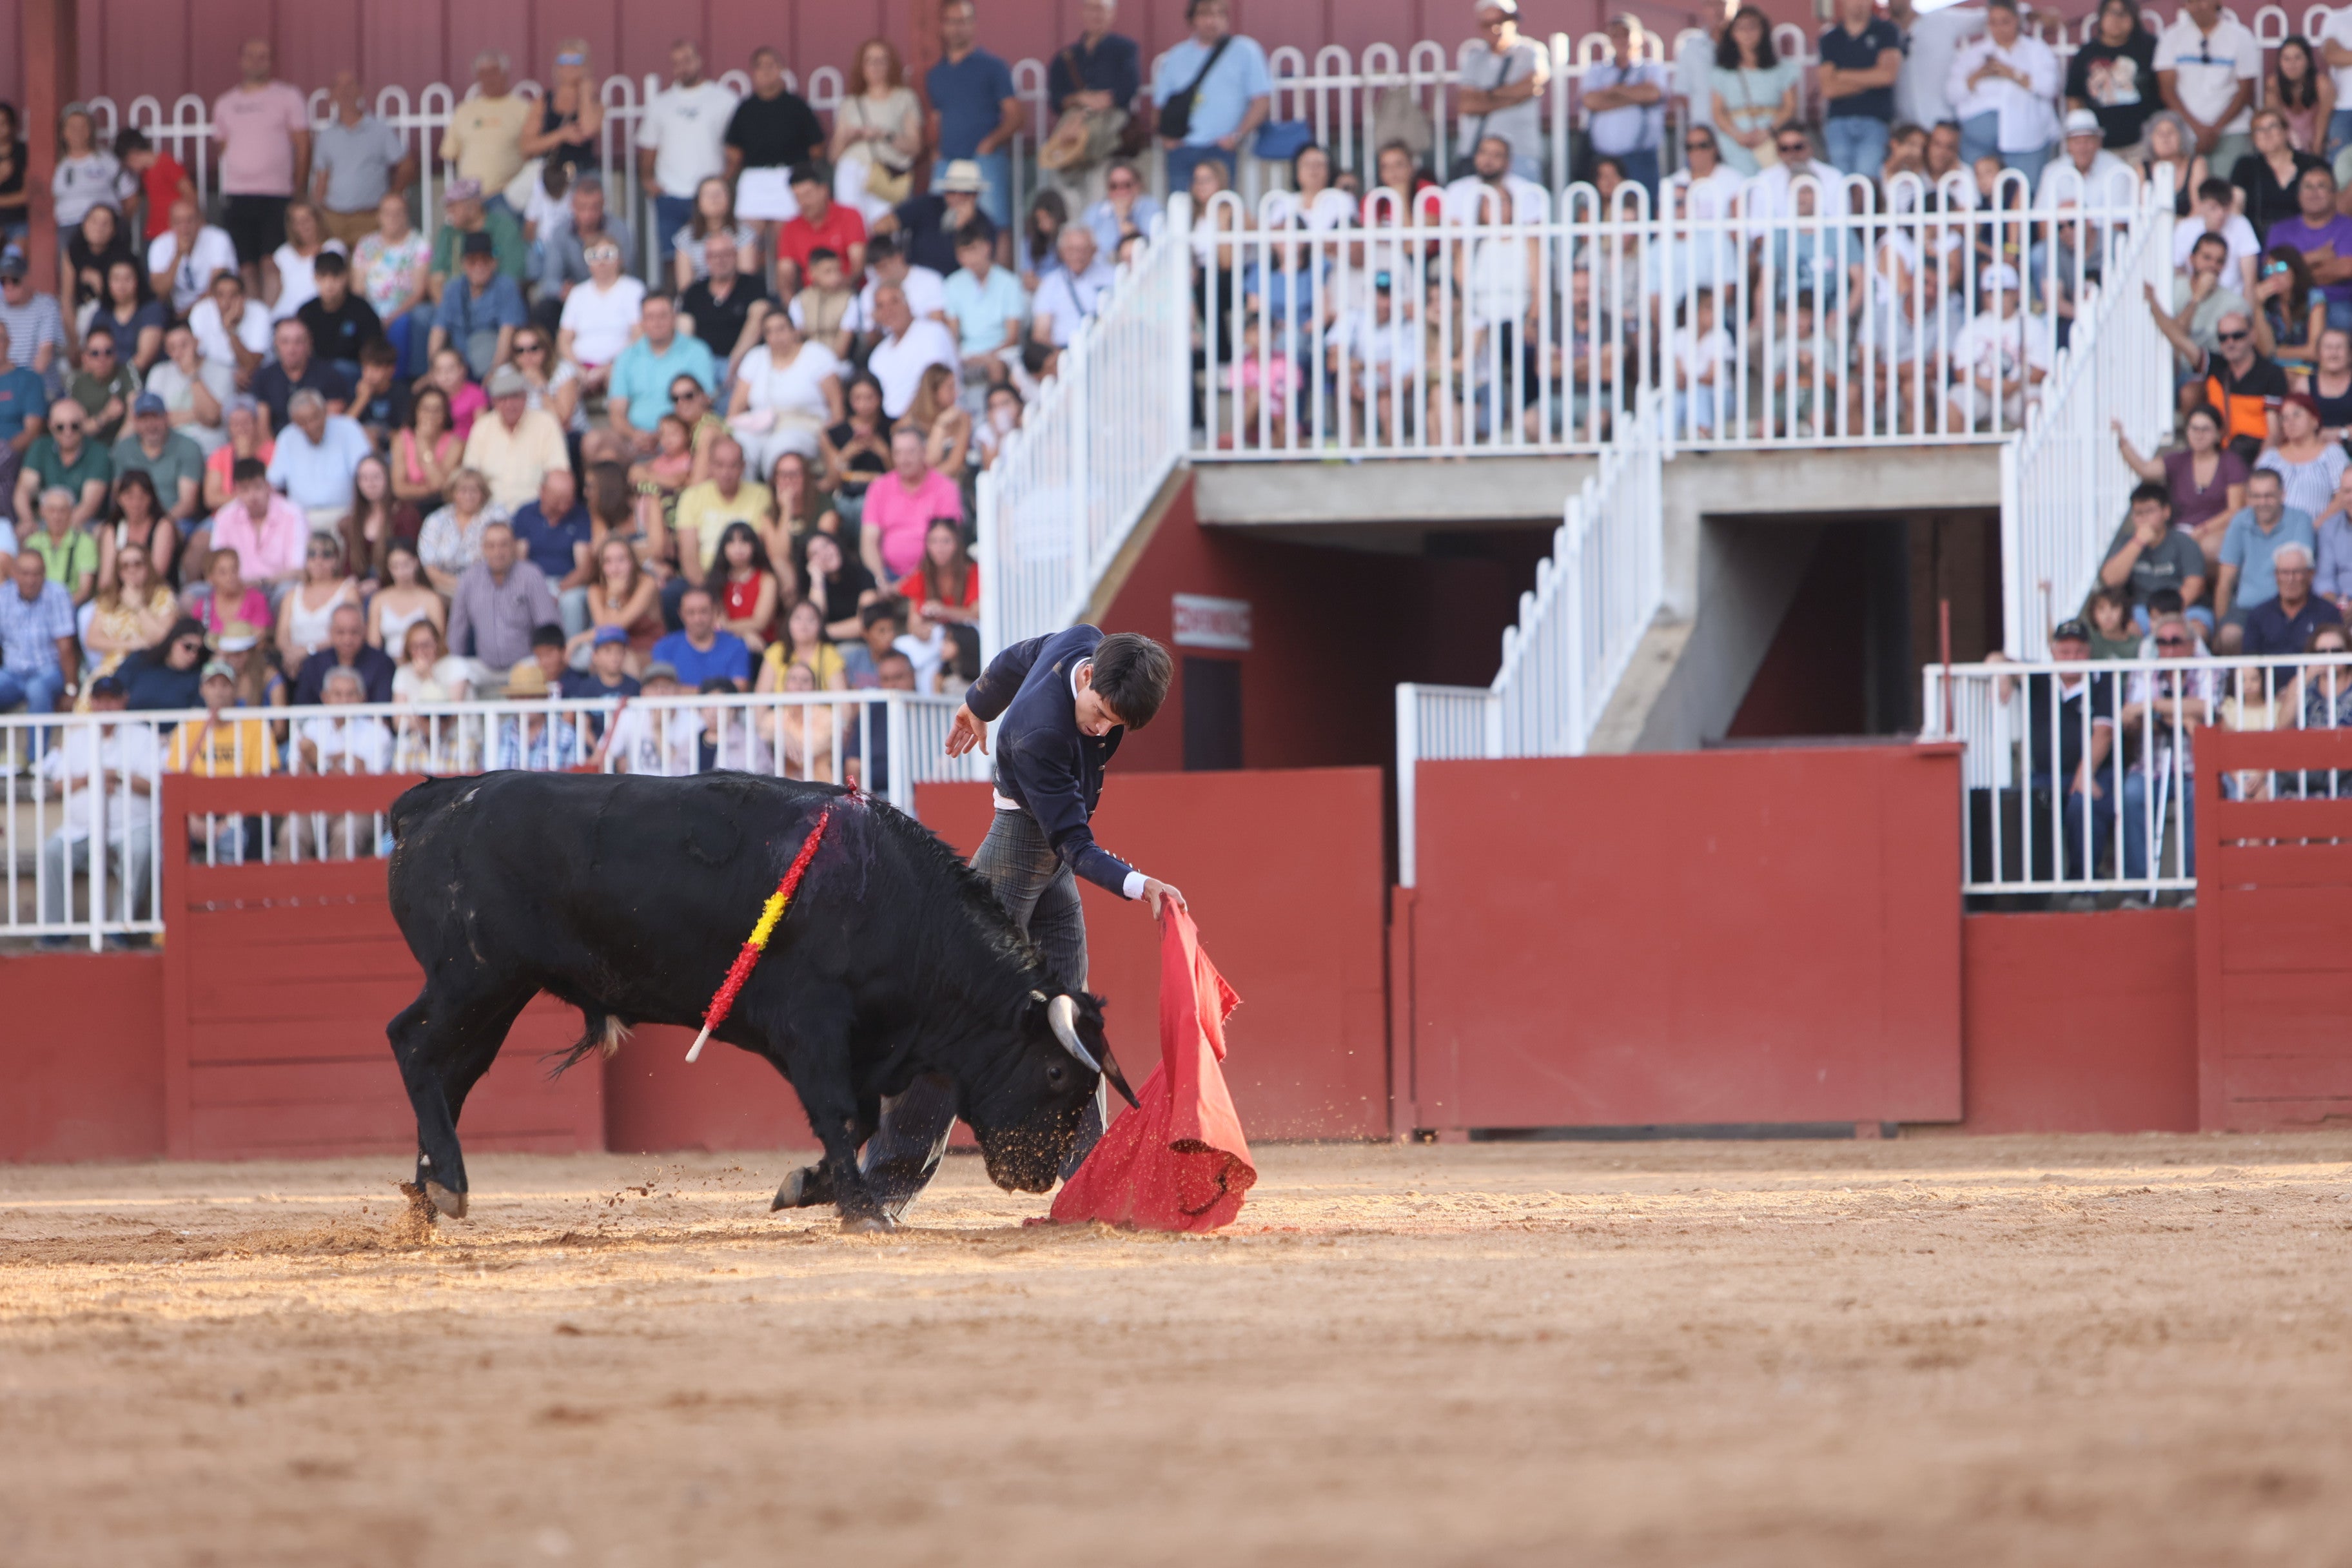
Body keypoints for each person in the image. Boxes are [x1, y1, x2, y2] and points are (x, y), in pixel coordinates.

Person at [775, 626, 1180, 1220]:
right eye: (1100, 714)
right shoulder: (1038, 733)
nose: (1101, 730)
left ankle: (1091, 1185)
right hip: (1019, 856)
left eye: (1116, 724)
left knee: (1074, 1028)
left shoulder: (1084, 645)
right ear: (1089, 677)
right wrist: (1141, 884)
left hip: (1046, 865)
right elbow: (1071, 841)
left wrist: (976, 703)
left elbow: (1019, 657)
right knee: (954, 1029)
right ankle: (876, 1188)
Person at [1988, 618, 2117, 890]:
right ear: (2053, 652)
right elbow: (1997, 657)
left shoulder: (2103, 679)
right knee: (2024, 805)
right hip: (2046, 775)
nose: (2072, 658)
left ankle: (2083, 885)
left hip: (2095, 773)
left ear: (2089, 652)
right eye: (2065, 652)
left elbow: (2104, 733)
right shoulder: (2040, 677)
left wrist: (2084, 775)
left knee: (2084, 806)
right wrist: (2000, 673)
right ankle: (2032, 889)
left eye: (2079, 651)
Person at [34, 672, 157, 933]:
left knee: (140, 850)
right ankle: (54, 933)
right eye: (100, 700)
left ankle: (118, 930)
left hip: (130, 826)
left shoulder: (143, 735)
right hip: (82, 830)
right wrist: (92, 779)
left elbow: (155, 784)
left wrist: (117, 776)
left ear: (124, 700)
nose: (105, 706)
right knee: (52, 852)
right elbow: (58, 785)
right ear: (91, 702)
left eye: (111, 700)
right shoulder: (77, 737)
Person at [213, 39, 311, 299]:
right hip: (237, 194)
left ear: (271, 62)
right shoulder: (225, 103)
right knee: (245, 265)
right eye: (251, 56)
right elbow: (222, 147)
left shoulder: (288, 96)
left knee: (272, 263)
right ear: (240, 61)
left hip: (276, 194)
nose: (257, 61)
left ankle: (271, 322)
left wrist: (299, 189)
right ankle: (255, 319)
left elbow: (303, 145)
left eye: (263, 56)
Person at [2148, 289, 2286, 458]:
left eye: (2238, 336)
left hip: (2257, 455)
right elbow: (2179, 340)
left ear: (2252, 336)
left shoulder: (2272, 374)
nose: (2230, 342)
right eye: (2223, 337)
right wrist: (2153, 303)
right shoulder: (2216, 366)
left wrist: (2260, 468)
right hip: (2221, 456)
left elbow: (2274, 433)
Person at [1153, 0, 1271, 196]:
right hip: (1183, 148)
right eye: (1205, 14)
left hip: (1222, 148)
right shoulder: (1176, 57)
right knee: (1180, 210)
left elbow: (1261, 101)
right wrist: (1167, 140)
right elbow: (1159, 106)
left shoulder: (1245, 51)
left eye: (1219, 14)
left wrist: (1237, 136)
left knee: (1222, 210)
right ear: (1192, 20)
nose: (1212, 21)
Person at [638, 39, 740, 269]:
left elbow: (736, 149)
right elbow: (649, 148)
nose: (682, 67)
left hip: (711, 196)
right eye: (676, 63)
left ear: (699, 60)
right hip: (670, 194)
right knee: (671, 260)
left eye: (687, 60)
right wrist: (647, 179)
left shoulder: (724, 99)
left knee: (715, 258)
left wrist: (725, 180)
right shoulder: (660, 104)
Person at [928, 0, 1022, 234]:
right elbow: (936, 118)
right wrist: (935, 149)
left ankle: (1000, 272)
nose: (957, 28)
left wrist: (989, 144)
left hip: (985, 160)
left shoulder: (993, 67)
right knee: (942, 226)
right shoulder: (936, 74)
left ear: (974, 25)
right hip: (947, 161)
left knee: (995, 225)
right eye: (951, 21)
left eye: (963, 21)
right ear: (942, 26)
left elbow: (1016, 115)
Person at [1946, 0, 2061, 182]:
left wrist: (2013, 74)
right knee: (1978, 198)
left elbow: (2049, 87)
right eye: (1993, 22)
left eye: (2005, 21)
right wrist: (1976, 77)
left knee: (2023, 194)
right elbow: (1952, 94)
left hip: (2026, 138)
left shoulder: (2036, 51)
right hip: (1978, 141)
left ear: (2017, 21)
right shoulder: (1973, 55)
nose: (1999, 28)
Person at [1044, 0, 1143, 210]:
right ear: (1082, 12)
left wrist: (1093, 103)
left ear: (1112, 14)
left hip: (1106, 139)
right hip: (1070, 134)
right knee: (1068, 199)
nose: (1096, 15)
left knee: (1100, 193)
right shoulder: (1066, 57)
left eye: (1101, 10)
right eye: (1091, 9)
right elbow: (1055, 99)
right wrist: (1081, 99)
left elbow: (1126, 91)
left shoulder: (1124, 50)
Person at [2115, 403, 2247, 551]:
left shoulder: (2231, 463)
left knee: (2206, 547)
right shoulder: (2178, 460)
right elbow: (2145, 469)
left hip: (2218, 532)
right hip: (2181, 531)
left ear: (2218, 433)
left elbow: (2235, 510)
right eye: (2194, 428)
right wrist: (2122, 441)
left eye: (2205, 429)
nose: (2199, 434)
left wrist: (2203, 530)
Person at [2216, 466, 2320, 651]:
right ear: (2247, 498)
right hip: (2245, 609)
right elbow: (2225, 581)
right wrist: (2220, 624)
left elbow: (2301, 571)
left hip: (2286, 607)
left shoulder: (2300, 520)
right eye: (2256, 496)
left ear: (2283, 495)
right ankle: (2238, 680)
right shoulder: (2240, 521)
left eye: (2269, 496)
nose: (2262, 502)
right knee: (2229, 635)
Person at [728, 311, 843, 475]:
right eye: (769, 331)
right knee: (741, 446)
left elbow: (837, 406)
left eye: (781, 329)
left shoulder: (817, 355)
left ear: (794, 330)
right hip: (761, 427)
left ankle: (777, 497)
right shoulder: (755, 358)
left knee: (779, 447)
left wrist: (830, 439)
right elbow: (736, 407)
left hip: (806, 428)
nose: (776, 336)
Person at [727, 46, 828, 233]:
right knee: (748, 237)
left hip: (788, 176)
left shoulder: (797, 106)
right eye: (760, 66)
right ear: (753, 72)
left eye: (771, 65)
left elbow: (817, 147)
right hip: (754, 177)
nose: (766, 71)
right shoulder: (745, 109)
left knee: (786, 234)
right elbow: (733, 150)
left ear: (781, 69)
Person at [2155, 0, 2260, 177]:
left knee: (2228, 193)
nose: (2199, 6)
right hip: (2186, 131)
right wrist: (2197, 128)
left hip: (2232, 130)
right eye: (2192, 2)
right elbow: (2167, 90)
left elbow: (2246, 92)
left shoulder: (2241, 36)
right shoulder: (2171, 37)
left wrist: (2215, 129)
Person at [444, 518, 555, 681]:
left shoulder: (531, 575)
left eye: (504, 544)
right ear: (483, 549)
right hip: (484, 667)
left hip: (524, 664)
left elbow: (548, 626)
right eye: (491, 546)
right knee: (455, 671)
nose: (498, 552)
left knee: (536, 670)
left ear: (514, 546)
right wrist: (453, 663)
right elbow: (457, 629)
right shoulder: (469, 579)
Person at [830, 37, 925, 228]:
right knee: (852, 229)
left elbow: (915, 147)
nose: (876, 66)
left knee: (885, 229)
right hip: (852, 169)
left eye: (882, 60)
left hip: (886, 172)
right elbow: (833, 156)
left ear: (891, 65)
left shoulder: (904, 98)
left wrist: (883, 134)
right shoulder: (850, 103)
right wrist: (849, 137)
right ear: (862, 66)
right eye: (870, 60)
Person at [310, 72, 411, 250]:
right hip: (334, 218)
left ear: (361, 92)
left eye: (350, 86)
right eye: (338, 87)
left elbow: (406, 166)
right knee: (336, 271)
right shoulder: (326, 136)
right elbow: (321, 178)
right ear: (331, 95)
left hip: (369, 217)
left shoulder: (380, 130)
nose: (345, 92)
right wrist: (318, 213)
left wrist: (392, 196)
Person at [607, 294, 718, 451]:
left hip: (682, 439)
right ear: (642, 322)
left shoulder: (697, 351)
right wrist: (635, 435)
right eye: (650, 317)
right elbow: (616, 411)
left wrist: (667, 436)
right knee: (595, 443)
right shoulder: (626, 356)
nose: (656, 323)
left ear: (674, 318)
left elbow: (704, 403)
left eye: (662, 316)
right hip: (635, 439)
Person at [1816, 0, 1905, 181]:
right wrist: (1872, 77)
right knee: (1840, 181)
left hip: (1875, 119)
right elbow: (1829, 89)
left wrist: (1841, 75)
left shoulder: (1886, 31)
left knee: (1867, 180)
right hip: (1838, 121)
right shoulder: (1830, 38)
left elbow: (1887, 76)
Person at [2101, 480, 2211, 627]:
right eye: (2139, 513)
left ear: (2166, 512)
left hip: (2183, 608)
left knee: (2196, 628)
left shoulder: (2184, 542)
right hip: (2141, 611)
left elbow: (2195, 586)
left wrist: (2164, 615)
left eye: (2150, 511)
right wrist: (2138, 542)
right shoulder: (2127, 543)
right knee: (2128, 629)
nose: (2144, 518)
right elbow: (2110, 580)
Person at [536, 175, 637, 334]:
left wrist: (598, 292)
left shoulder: (619, 230)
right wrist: (565, 291)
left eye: (595, 207)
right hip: (572, 299)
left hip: (611, 295)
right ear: (572, 205)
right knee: (546, 308)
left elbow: (626, 272)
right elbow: (550, 281)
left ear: (604, 204)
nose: (588, 215)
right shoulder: (560, 233)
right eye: (582, 207)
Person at [79, 534, 176, 699]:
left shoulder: (163, 596)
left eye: (138, 564)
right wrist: (130, 644)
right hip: (111, 668)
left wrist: (138, 607)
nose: (132, 569)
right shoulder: (108, 600)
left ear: (147, 566)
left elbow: (163, 638)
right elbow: (92, 639)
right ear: (119, 571)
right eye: (125, 565)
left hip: (149, 669)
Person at [462, 364, 569, 511]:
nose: (509, 404)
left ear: (525, 397)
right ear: (493, 402)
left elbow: (558, 472)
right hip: (489, 510)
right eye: (503, 398)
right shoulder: (482, 426)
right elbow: (471, 474)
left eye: (515, 397)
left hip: (535, 509)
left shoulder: (546, 423)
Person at [266, 388, 372, 529]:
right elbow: (273, 482)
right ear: (294, 423)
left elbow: (366, 470)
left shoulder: (348, 428)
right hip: (301, 518)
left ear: (325, 412)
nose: (311, 426)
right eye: (303, 422)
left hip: (345, 514)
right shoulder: (288, 437)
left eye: (315, 418)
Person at [440, 50, 533, 210]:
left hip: (508, 197)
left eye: (493, 72)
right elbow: (450, 152)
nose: (489, 78)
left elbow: (532, 153)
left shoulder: (524, 109)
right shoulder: (464, 110)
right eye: (483, 73)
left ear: (505, 74)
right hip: (470, 199)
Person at [944, 220, 1028, 395]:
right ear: (959, 257)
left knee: (995, 366)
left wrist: (987, 356)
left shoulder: (1009, 282)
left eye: (974, 249)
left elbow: (1012, 336)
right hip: (967, 352)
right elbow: (952, 333)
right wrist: (958, 354)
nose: (971, 257)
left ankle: (994, 412)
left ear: (987, 248)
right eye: (965, 252)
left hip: (1002, 352)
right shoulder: (952, 284)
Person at [2067, 0, 2159, 157]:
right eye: (2111, 13)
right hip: (2100, 147)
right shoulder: (2086, 53)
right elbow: (2074, 98)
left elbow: (2162, 90)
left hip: (2141, 143)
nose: (2116, 19)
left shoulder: (2149, 47)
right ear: (2101, 17)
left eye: (2123, 14)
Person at [431, 231, 527, 381]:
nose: (479, 266)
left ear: (494, 262)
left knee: (482, 342)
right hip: (458, 369)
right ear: (463, 264)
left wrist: (494, 373)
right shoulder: (453, 288)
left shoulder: (506, 286)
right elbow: (438, 330)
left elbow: (507, 333)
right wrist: (433, 370)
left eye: (485, 260)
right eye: (472, 261)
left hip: (494, 366)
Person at [354, 191, 431, 375]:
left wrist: (391, 317)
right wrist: (370, 317)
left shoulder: (419, 244)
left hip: (403, 310)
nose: (393, 218)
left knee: (403, 324)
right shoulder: (366, 245)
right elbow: (358, 290)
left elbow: (419, 292)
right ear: (379, 216)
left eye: (399, 213)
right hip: (370, 310)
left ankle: (398, 381)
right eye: (388, 213)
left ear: (407, 215)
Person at [509, 464, 594, 632]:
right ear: (543, 492)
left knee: (571, 602)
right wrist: (538, 591)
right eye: (558, 500)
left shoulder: (580, 515)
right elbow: (520, 562)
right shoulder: (525, 514)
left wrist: (558, 591)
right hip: (533, 582)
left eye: (568, 500)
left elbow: (585, 568)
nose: (563, 506)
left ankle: (572, 653)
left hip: (568, 584)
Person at [876, 159, 994, 279]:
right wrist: (894, 256)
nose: (957, 198)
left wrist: (964, 228)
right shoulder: (928, 204)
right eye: (952, 192)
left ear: (976, 195)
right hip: (915, 280)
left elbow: (981, 267)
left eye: (965, 193)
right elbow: (883, 225)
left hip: (956, 287)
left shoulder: (984, 225)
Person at [679, 226, 771, 378]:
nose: (720, 260)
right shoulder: (694, 292)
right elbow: (685, 331)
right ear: (706, 259)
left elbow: (759, 317)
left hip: (745, 363)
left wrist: (736, 359)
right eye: (714, 255)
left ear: (735, 256)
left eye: (725, 254)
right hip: (703, 366)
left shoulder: (753, 285)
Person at [865, 282, 960, 420]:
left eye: (894, 302)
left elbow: (935, 385)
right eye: (881, 306)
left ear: (908, 304)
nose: (889, 310)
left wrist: (906, 422)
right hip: (891, 427)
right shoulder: (877, 355)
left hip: (931, 420)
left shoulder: (933, 333)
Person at [0, 546, 78, 711]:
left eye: (36, 574)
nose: (31, 580)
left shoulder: (58, 594)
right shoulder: (3, 596)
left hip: (49, 672)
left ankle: (38, 739)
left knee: (36, 688)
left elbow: (66, 648)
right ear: (14, 573)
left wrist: (71, 691)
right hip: (12, 674)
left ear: (44, 574)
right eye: (25, 573)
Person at [776, 163, 869, 300]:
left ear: (824, 190)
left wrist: (835, 289)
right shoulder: (791, 227)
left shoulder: (849, 215)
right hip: (812, 300)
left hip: (850, 294)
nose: (803, 202)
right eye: (797, 197)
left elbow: (858, 265)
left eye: (808, 194)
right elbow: (785, 275)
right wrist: (794, 310)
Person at [521, 39, 606, 188]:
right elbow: (527, 145)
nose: (569, 66)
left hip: (582, 171)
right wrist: (562, 135)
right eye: (564, 60)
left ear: (585, 65)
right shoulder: (544, 101)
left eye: (576, 60)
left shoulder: (595, 102)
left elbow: (588, 130)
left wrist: (585, 94)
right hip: (551, 172)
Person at [15, 396, 109, 526]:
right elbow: (23, 490)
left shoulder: (98, 452)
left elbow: (88, 507)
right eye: (60, 427)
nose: (68, 432)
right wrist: (28, 522)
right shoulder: (41, 446)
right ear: (51, 426)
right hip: (44, 523)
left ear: (84, 424)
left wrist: (56, 533)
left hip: (83, 525)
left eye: (75, 426)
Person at [429, 181, 529, 302]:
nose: (449, 211)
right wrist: (448, 313)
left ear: (473, 205)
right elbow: (436, 277)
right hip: (453, 304)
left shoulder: (504, 228)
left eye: (454, 205)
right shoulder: (448, 232)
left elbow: (512, 277)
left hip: (496, 302)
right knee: (422, 314)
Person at [274, 533, 362, 667]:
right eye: (312, 554)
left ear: (337, 560)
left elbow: (351, 632)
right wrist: (291, 655)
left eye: (326, 555)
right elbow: (282, 637)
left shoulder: (348, 591)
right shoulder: (292, 594)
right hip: (295, 664)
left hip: (335, 660)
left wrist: (309, 651)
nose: (318, 560)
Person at [417, 467, 507, 594]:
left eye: (474, 491)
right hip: (444, 588)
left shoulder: (495, 515)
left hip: (489, 587)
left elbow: (503, 556)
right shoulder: (436, 519)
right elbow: (430, 567)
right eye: (462, 491)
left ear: (483, 494)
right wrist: (460, 587)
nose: (468, 496)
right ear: (453, 493)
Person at [2259, 390, 2348, 520]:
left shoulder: (2332, 454)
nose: (2290, 422)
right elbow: (2255, 497)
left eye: (2297, 415)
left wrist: (2315, 527)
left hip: (2319, 534)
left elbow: (2344, 497)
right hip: (2274, 535)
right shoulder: (2270, 458)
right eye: (2285, 418)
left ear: (2315, 420)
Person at [2242, 541, 2344, 654]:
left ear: (2310, 575)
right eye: (2284, 572)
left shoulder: (2328, 613)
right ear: (2276, 576)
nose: (2290, 579)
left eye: (2297, 572)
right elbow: (2249, 660)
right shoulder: (2258, 616)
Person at [293, 253, 381, 382]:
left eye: (335, 276)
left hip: (353, 374)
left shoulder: (362, 310)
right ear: (315, 278)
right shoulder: (306, 312)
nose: (329, 284)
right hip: (313, 373)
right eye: (323, 277)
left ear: (346, 277)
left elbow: (373, 351)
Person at [147, 198, 236, 320]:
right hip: (176, 311)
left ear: (201, 221)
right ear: (170, 223)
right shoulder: (160, 244)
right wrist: (178, 255)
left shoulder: (218, 239)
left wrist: (187, 314)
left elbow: (217, 287)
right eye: (178, 222)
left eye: (190, 220)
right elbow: (159, 292)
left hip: (212, 310)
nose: (185, 227)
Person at [1028, 224, 1114, 349]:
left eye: (1083, 250)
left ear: (1095, 250)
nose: (1077, 256)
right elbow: (1041, 334)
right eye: (1071, 250)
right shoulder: (1050, 283)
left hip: (1106, 349)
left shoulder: (1113, 276)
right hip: (1063, 353)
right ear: (1061, 251)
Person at [337, 452, 416, 585]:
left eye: (376, 477)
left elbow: (407, 560)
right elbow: (349, 565)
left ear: (388, 478)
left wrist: (378, 584)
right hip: (360, 589)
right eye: (364, 478)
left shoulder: (405, 515)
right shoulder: (353, 520)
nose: (371, 484)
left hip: (394, 587)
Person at [651, 584, 751, 691]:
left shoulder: (736, 646)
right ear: (681, 614)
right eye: (691, 613)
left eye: (704, 611)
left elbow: (739, 688)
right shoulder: (664, 647)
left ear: (714, 612)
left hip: (724, 708)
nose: (697, 619)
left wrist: (685, 691)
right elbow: (662, 689)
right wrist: (712, 694)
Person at [101, 462, 181, 586]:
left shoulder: (163, 526)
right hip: (119, 594)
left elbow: (158, 574)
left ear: (151, 498)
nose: (136, 503)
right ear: (119, 499)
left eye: (142, 496)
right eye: (130, 497)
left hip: (155, 592)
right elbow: (106, 578)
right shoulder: (112, 529)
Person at [189, 269, 270, 389]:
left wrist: (231, 330)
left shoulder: (259, 311)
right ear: (213, 298)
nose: (226, 302)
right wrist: (228, 376)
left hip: (254, 379)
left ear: (243, 297)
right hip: (215, 379)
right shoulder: (201, 312)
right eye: (220, 295)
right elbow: (198, 359)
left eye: (233, 295)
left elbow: (251, 365)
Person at [0, 250, 65, 396]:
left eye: (14, 281)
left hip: (41, 388)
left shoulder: (46, 305)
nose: (8, 286)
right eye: (3, 281)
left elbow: (45, 355)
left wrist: (20, 391)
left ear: (27, 279)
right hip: (6, 389)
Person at [89, 258, 166, 375]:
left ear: (138, 280)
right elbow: (91, 354)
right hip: (106, 380)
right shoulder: (101, 314)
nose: (122, 285)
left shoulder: (151, 310)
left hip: (143, 380)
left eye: (128, 279)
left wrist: (121, 383)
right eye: (116, 279)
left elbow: (143, 359)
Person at [803, 527, 879, 639]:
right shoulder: (811, 586)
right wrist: (817, 580)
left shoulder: (862, 574)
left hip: (859, 643)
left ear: (836, 545)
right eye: (815, 553)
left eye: (826, 545)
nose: (824, 554)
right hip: (822, 648)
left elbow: (867, 621)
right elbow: (813, 619)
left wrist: (823, 632)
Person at [65, 329, 137, 447]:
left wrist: (117, 450)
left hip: (123, 446)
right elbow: (75, 429)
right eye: (95, 353)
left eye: (108, 352)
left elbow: (134, 416)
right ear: (85, 357)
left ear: (115, 355)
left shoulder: (126, 371)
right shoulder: (76, 381)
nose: (102, 358)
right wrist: (105, 416)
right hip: (87, 449)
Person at [66, 204, 135, 313]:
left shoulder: (123, 257)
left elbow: (126, 301)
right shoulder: (74, 251)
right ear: (84, 225)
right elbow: (67, 299)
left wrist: (101, 285)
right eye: (94, 222)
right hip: (81, 314)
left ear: (114, 229)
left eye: (105, 224)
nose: (99, 228)